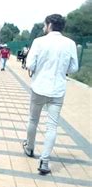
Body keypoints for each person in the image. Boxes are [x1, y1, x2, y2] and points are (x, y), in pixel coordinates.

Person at [22, 14, 79, 175]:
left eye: (44, 25)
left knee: (33, 119)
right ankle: (45, 160)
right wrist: (62, 70)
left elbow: (30, 64)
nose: (43, 27)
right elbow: (74, 68)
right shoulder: (70, 44)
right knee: (52, 125)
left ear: (49, 25)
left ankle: (30, 147)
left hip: (39, 86)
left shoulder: (39, 42)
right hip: (58, 89)